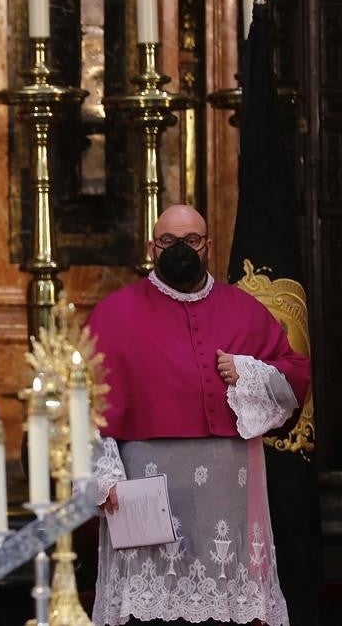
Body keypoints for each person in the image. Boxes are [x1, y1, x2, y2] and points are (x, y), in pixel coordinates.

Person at [87, 204, 311, 626]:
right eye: (168, 241)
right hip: (146, 482)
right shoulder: (113, 314)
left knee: (226, 613)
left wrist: (246, 371)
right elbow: (82, 401)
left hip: (227, 490)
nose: (180, 250)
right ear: (152, 246)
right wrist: (105, 475)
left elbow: (294, 375)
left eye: (191, 241)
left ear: (208, 246)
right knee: (150, 613)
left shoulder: (243, 310)